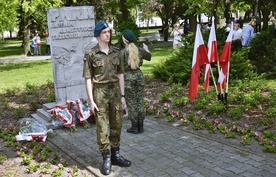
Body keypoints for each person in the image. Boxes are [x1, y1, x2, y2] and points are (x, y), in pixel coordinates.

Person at [82, 20, 131, 175]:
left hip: (116, 92)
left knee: (117, 124)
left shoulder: (117, 52)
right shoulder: (91, 54)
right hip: (100, 94)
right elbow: (88, 78)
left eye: (109, 32)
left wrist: (123, 96)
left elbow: (121, 74)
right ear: (98, 35)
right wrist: (91, 101)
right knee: (102, 128)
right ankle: (106, 158)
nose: (108, 34)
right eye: (104, 32)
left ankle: (116, 154)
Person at [120, 29, 151, 134]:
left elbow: (118, 68)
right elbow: (149, 57)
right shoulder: (139, 50)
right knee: (140, 101)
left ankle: (134, 127)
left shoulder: (123, 52)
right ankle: (141, 126)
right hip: (139, 77)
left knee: (131, 102)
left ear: (125, 40)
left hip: (128, 78)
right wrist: (146, 49)